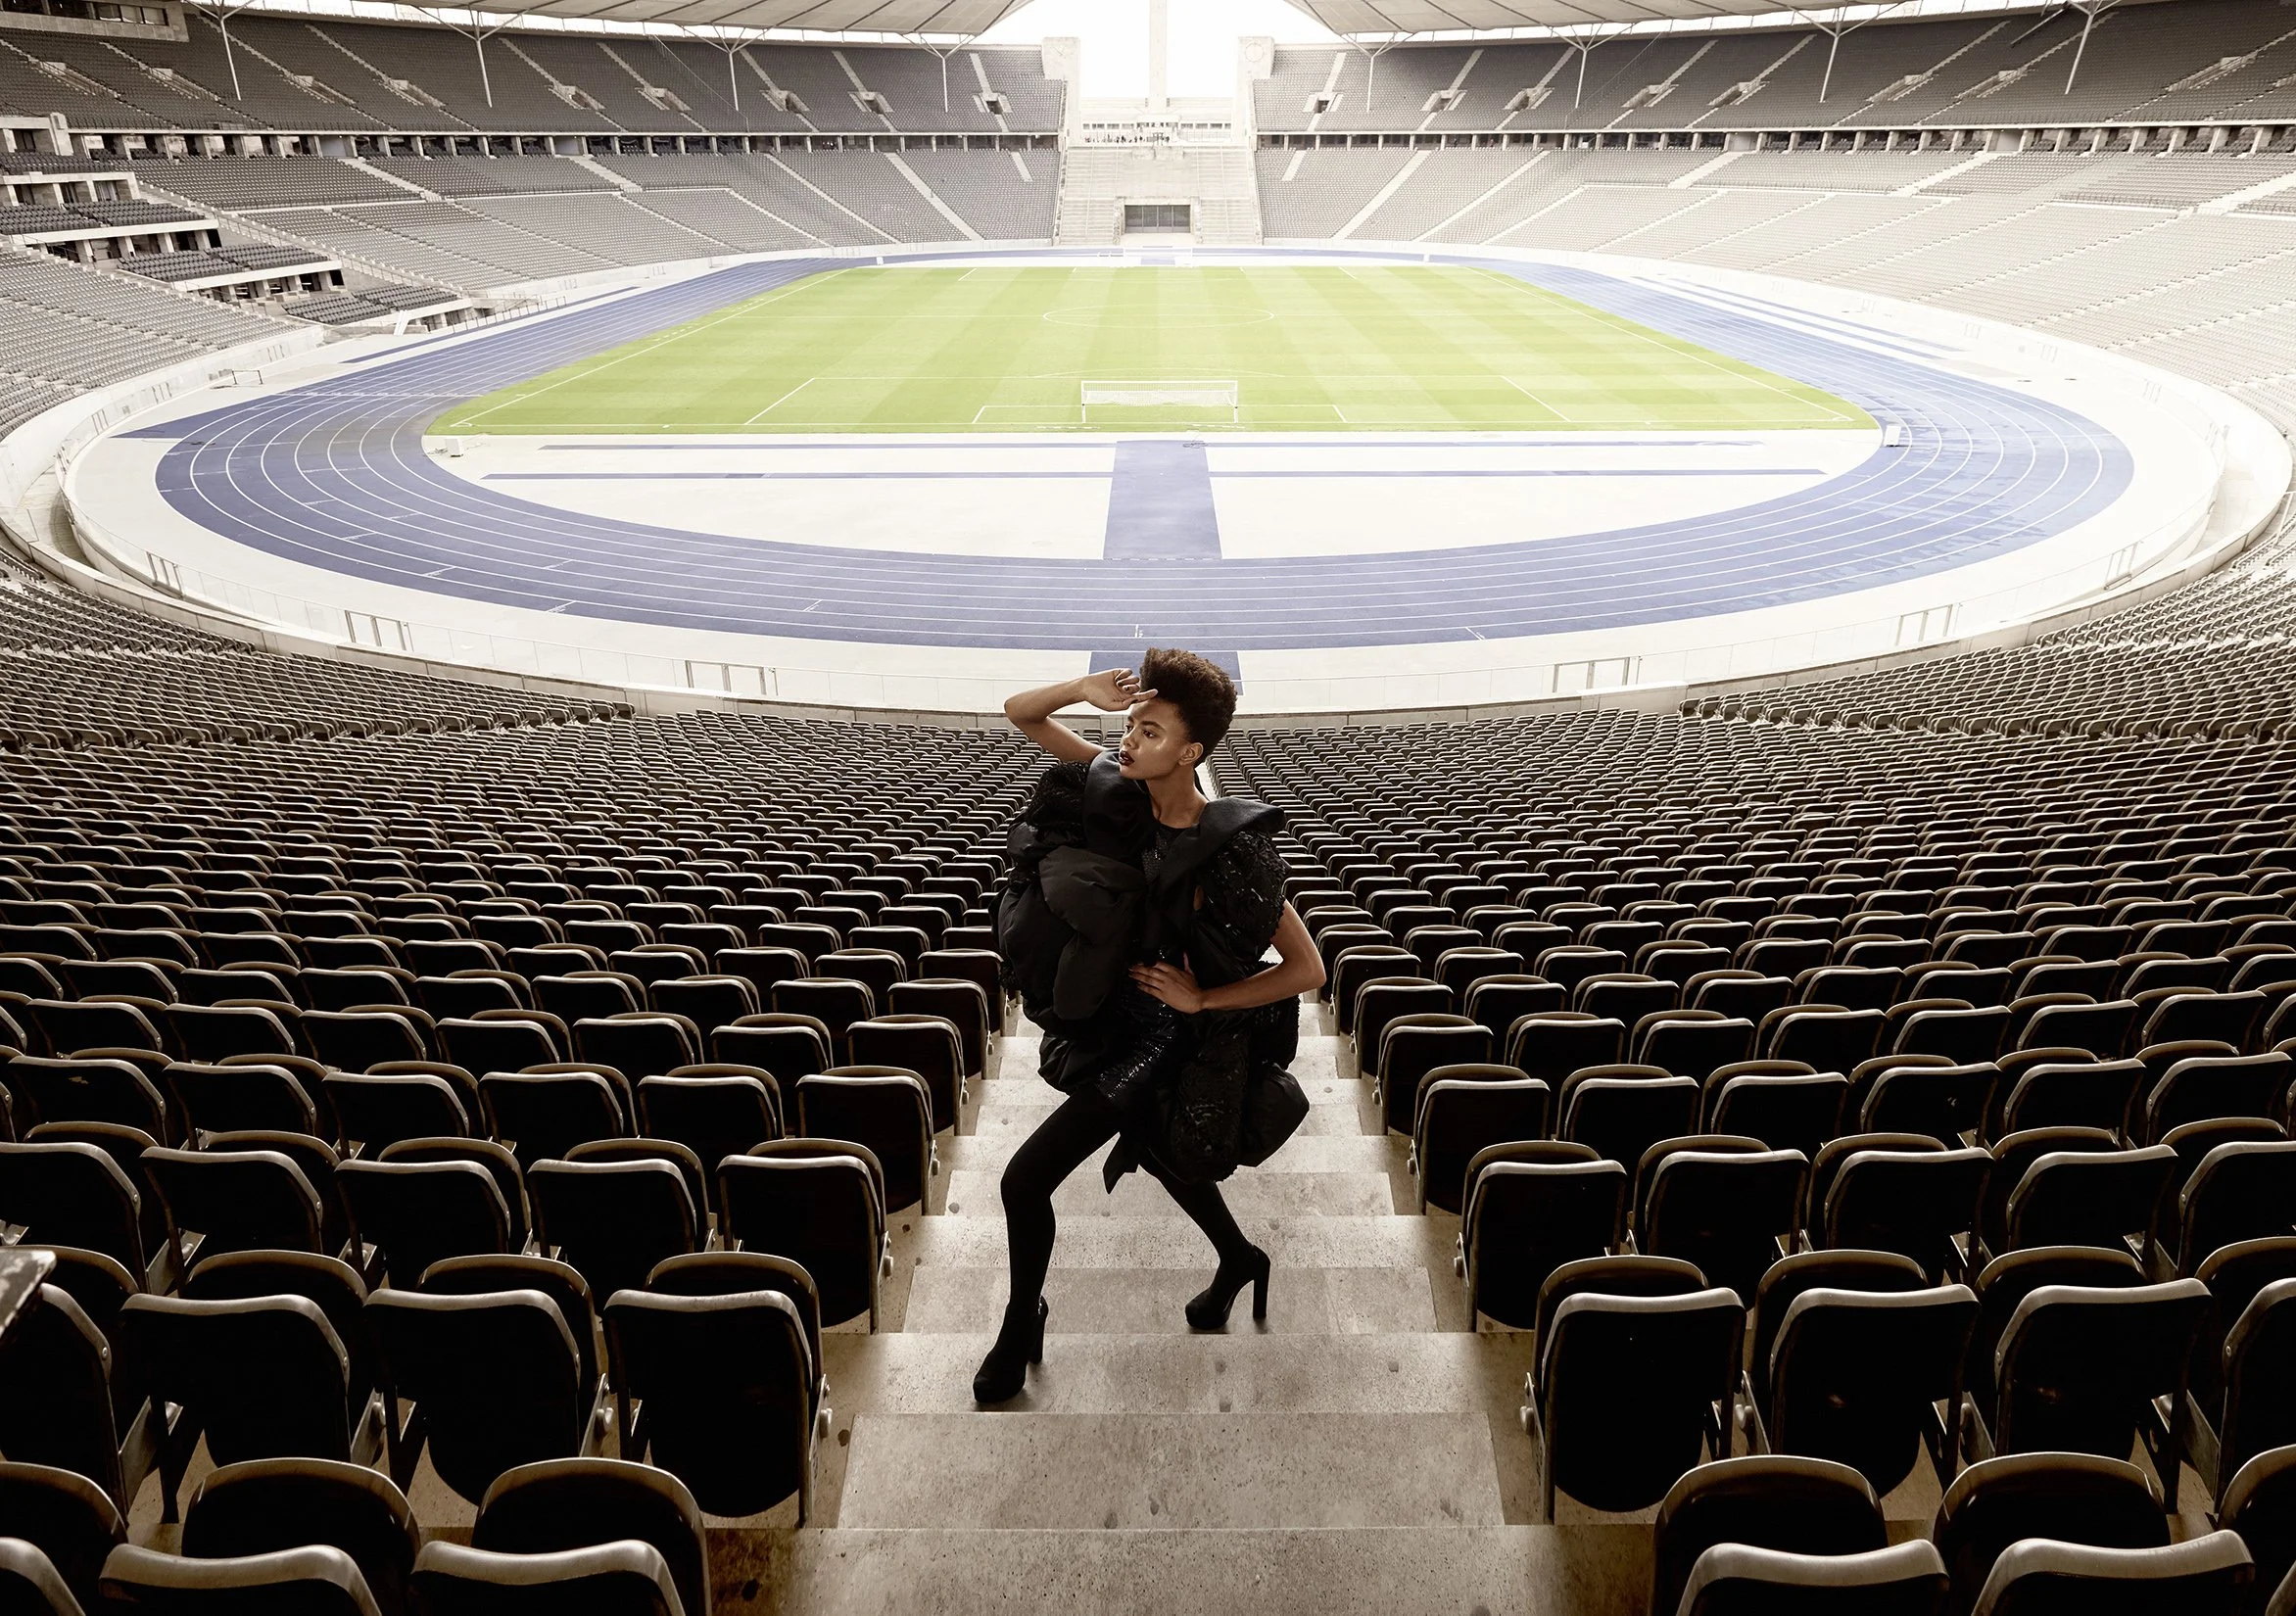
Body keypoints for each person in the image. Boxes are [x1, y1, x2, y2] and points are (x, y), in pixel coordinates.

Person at [978, 651, 1325, 1405]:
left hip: (1162, 1043)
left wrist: (1204, 1000)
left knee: (1024, 1181)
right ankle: (1240, 1259)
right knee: (1164, 1160)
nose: (1129, 741)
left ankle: (1021, 1319)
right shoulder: (1120, 789)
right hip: (1107, 1025)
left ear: (1191, 751)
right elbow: (1021, 713)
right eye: (1131, 726)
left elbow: (1308, 969)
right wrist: (1082, 689)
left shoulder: (1229, 848)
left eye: (1151, 731)